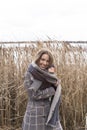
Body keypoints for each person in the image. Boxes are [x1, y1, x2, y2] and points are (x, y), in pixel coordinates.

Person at [22, 49, 63, 130]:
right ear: (38, 58)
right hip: (34, 113)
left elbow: (56, 85)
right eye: (42, 59)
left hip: (48, 111)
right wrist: (52, 90)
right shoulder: (30, 73)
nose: (44, 63)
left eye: (47, 61)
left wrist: (52, 75)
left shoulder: (48, 73)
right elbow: (33, 95)